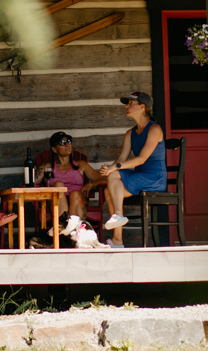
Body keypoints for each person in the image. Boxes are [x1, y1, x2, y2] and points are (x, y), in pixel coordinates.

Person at [98, 91, 166, 248]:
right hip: (139, 176)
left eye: (130, 103)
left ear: (142, 107)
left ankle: (118, 218)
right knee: (109, 190)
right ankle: (117, 240)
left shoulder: (154, 129)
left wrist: (115, 168)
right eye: (127, 104)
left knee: (114, 177)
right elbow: (121, 160)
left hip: (153, 178)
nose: (127, 107)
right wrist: (108, 169)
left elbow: (141, 159)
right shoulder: (130, 133)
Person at [37, 131, 103, 239]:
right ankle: (63, 231)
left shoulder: (80, 165)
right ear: (54, 149)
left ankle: (76, 233)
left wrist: (91, 185)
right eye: (63, 142)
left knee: (75, 194)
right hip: (57, 201)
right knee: (59, 185)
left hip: (77, 199)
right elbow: (31, 182)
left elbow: (103, 180)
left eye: (68, 141)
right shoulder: (48, 167)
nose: (67, 144)